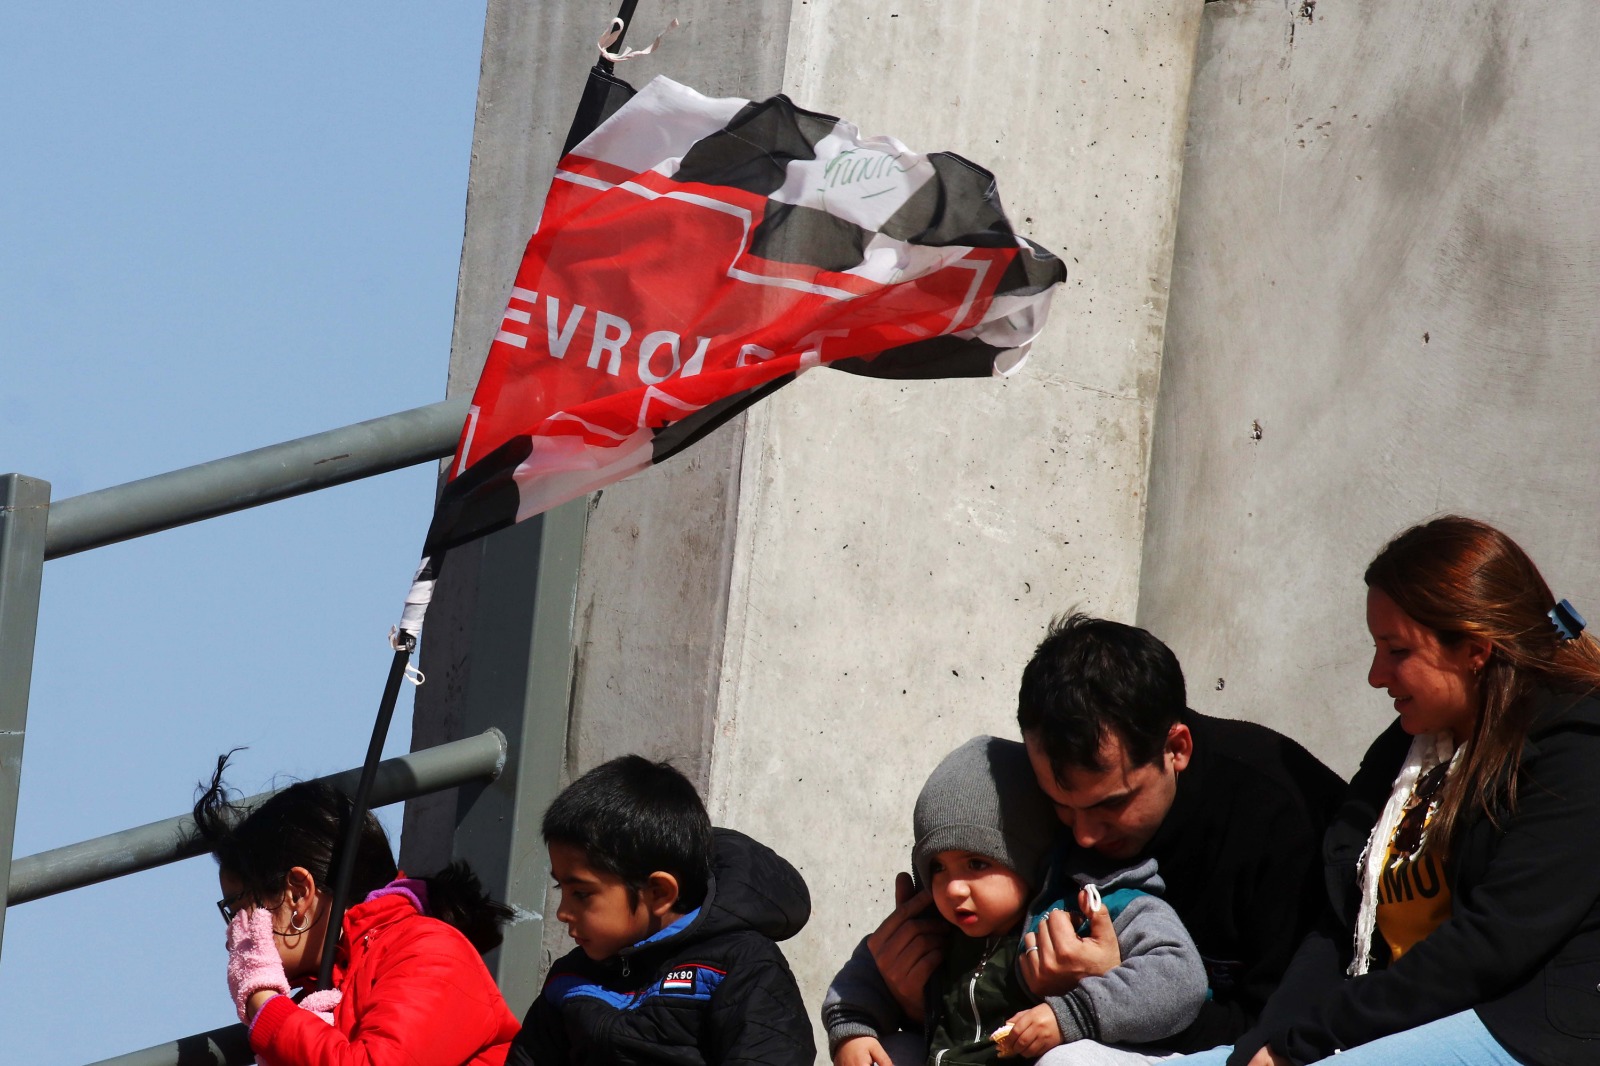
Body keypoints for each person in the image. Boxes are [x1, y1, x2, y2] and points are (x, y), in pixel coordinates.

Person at [1173, 515, 1600, 1066]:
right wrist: (1267, 1043)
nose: (1377, 676)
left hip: (1520, 1031)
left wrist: (1307, 1041)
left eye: (1397, 651)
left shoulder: (1576, 745)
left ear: (1474, 648)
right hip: (1378, 1025)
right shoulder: (1402, 752)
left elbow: (1490, 946)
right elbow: (1339, 920)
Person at [860, 615, 1344, 1062]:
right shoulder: (1034, 805)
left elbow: (1279, 1026)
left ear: (1176, 749)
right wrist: (912, 999)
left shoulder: (1277, 816)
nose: (1085, 837)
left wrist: (1107, 999)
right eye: (1061, 808)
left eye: (1111, 804)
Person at [824, 736, 1207, 1065]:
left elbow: (1180, 977)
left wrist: (1072, 1015)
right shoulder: (934, 924)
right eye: (938, 867)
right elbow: (863, 974)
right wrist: (852, 1033)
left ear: (1030, 856)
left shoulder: (1092, 906)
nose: (954, 888)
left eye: (977, 863)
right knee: (892, 1053)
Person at [193, 757, 520, 1066]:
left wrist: (264, 1003)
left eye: (238, 911)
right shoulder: (318, 1000)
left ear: (298, 893)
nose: (233, 937)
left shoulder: (428, 951)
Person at [508, 754, 814, 1065]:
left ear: (659, 893)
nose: (562, 913)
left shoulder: (740, 966)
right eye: (562, 889)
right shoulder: (568, 979)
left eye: (582, 894)